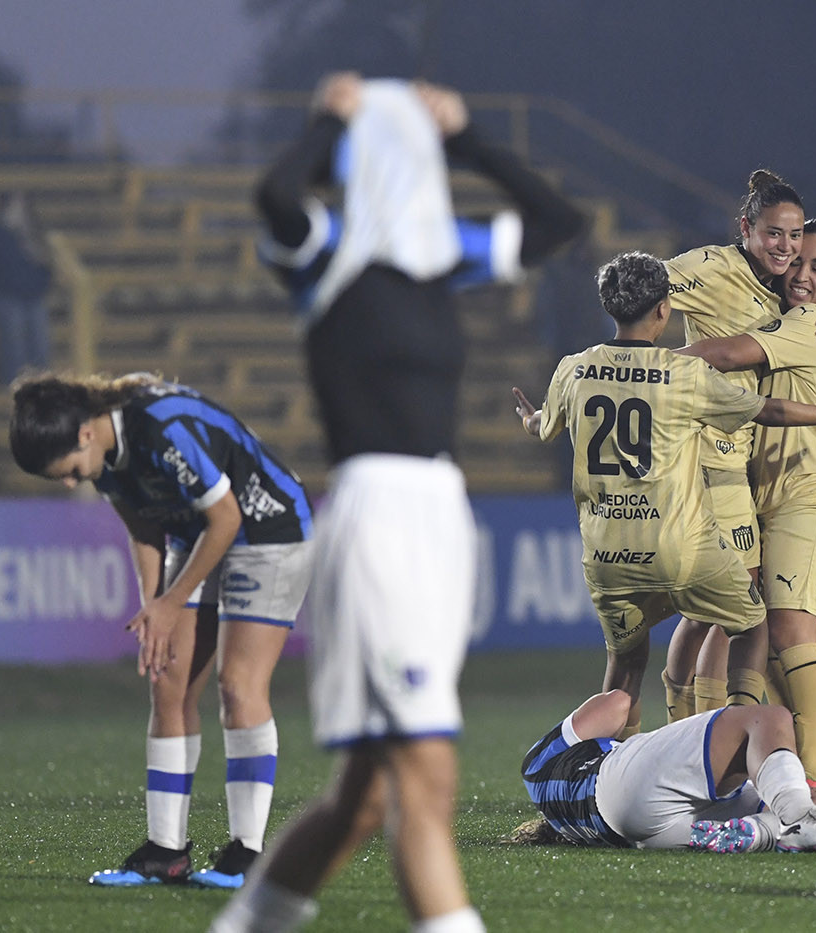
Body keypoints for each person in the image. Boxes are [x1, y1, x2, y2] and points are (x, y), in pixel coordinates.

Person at [214, 74, 582, 933]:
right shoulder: (326, 246)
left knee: (357, 801)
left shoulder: (439, 254)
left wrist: (466, 138)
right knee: (425, 777)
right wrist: (326, 121)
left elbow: (560, 225)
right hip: (375, 513)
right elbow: (273, 193)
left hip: (440, 516)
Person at [511, 250, 816, 741]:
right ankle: (738, 735)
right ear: (663, 311)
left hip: (606, 553)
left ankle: (606, 777)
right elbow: (769, 410)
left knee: (625, 666)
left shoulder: (575, 369)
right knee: (752, 622)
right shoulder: (683, 375)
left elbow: (541, 425)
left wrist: (526, 417)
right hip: (678, 547)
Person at [8, 372, 314, 887]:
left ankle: (247, 853)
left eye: (67, 471)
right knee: (167, 683)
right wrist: (155, 608)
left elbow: (226, 517)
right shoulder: (105, 456)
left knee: (238, 687)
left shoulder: (159, 429)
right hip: (198, 535)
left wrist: (172, 601)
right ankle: (165, 852)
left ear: (85, 433)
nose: (69, 481)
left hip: (267, 530)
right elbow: (144, 526)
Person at [671, 220, 816, 802]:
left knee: (787, 630)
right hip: (753, 491)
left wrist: (647, 368)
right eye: (797, 261)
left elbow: (728, 353)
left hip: (808, 492)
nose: (802, 274)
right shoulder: (773, 314)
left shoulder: (812, 323)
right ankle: (720, 759)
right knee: (731, 621)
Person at [518, 688, 816, 853]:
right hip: (620, 783)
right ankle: (796, 821)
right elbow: (617, 702)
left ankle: (761, 832)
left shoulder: (548, 786)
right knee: (767, 718)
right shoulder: (538, 763)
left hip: (641, 830)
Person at [0, 191, 53, 385]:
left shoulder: (33, 236)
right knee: (14, 348)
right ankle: (15, 387)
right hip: (7, 298)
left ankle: (42, 388)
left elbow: (46, 267)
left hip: (32, 298)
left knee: (40, 348)